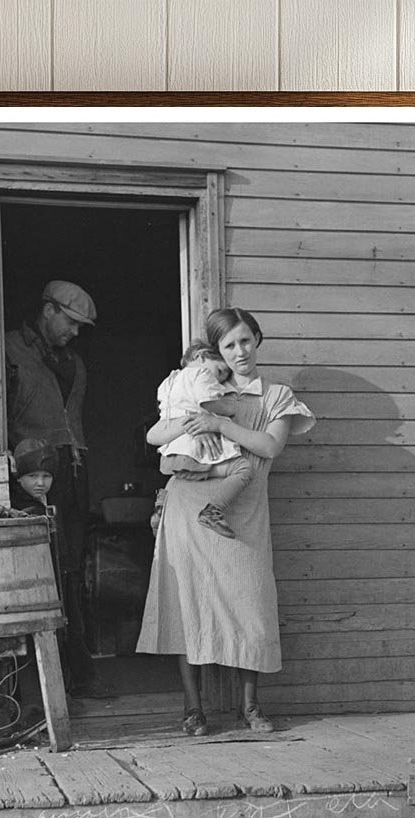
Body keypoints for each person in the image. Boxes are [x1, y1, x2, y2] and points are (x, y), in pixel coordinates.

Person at [136, 308, 315, 737]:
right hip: (187, 509)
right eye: (229, 345)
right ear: (217, 351)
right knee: (188, 606)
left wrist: (220, 423)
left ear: (257, 339)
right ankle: (193, 709)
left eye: (246, 341)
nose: (240, 352)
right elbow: (155, 436)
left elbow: (269, 447)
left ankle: (250, 707)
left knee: (250, 605)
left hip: (244, 513)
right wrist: (189, 419)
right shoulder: (200, 385)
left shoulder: (276, 397)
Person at [5, 280, 101, 697]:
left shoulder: (75, 362)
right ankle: (33, 686)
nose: (75, 333)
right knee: (37, 577)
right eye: (71, 322)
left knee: (72, 575)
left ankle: (77, 677)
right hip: (31, 478)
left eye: (81, 327)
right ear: (49, 310)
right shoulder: (8, 348)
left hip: (72, 476)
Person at [155, 340, 254, 539]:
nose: (219, 380)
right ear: (200, 357)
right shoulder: (200, 374)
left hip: (172, 453)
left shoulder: (170, 380)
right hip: (193, 451)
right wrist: (228, 409)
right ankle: (214, 510)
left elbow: (163, 412)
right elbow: (207, 402)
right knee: (243, 469)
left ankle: (160, 505)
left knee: (178, 476)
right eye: (220, 371)